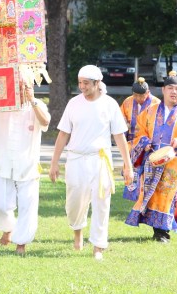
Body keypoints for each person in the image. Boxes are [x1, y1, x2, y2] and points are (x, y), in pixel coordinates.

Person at [49, 65, 134, 260]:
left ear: (97, 83)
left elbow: (119, 136)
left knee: (102, 201)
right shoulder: (73, 104)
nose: (82, 87)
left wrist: (127, 165)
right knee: (74, 201)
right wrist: (54, 162)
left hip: (100, 159)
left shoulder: (109, 104)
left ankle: (98, 245)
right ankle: (77, 231)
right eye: (80, 83)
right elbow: (63, 134)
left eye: (86, 83)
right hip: (76, 158)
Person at [125, 71, 177, 242]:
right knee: (152, 194)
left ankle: (163, 232)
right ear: (163, 90)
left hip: (175, 163)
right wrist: (144, 142)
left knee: (168, 196)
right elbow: (138, 133)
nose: (173, 92)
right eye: (170, 88)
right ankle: (156, 230)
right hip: (153, 159)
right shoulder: (149, 111)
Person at [0, 77, 51, 256]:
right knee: (1, 204)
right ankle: (8, 228)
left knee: (28, 204)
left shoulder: (37, 104)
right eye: (18, 85)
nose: (22, 89)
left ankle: (21, 242)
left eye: (26, 86)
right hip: (3, 161)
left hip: (28, 163)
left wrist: (32, 100)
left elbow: (46, 121)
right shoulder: (0, 103)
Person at [120, 77, 160, 200]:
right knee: (130, 168)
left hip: (149, 142)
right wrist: (124, 125)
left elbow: (158, 125)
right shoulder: (127, 101)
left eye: (141, 96)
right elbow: (120, 118)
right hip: (131, 142)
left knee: (146, 170)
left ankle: (145, 196)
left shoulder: (156, 103)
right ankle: (133, 195)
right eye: (135, 95)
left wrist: (148, 142)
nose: (138, 98)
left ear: (148, 93)